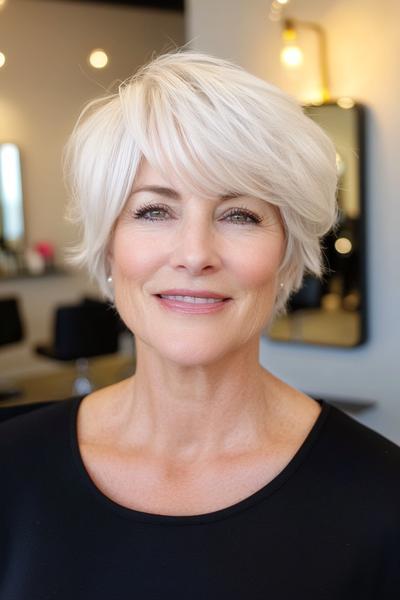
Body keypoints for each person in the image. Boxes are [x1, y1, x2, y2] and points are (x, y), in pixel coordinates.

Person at [0, 50, 399, 599]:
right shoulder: (11, 467)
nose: (194, 254)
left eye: (240, 215)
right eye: (153, 211)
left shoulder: (382, 501)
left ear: (287, 257)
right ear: (110, 247)